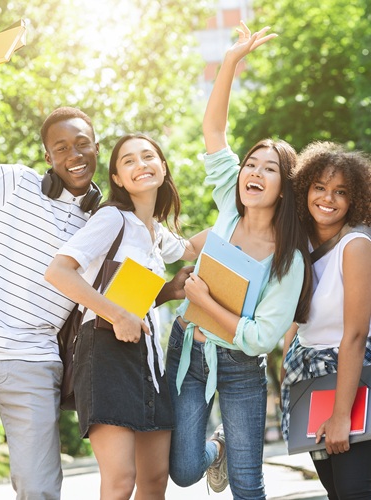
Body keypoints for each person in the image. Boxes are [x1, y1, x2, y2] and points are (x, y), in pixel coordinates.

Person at [0, 40, 189, 499]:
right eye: (61, 148)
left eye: (82, 144)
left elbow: (129, 287)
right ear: (47, 156)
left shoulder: (109, 218)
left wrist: (166, 292)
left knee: (39, 489)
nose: (74, 154)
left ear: (97, 148)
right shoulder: (10, 183)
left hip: (35, 362)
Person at [166, 22, 312, 499]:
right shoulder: (230, 204)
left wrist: (204, 300)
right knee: (185, 469)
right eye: (251, 163)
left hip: (240, 366)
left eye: (270, 168)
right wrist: (229, 61)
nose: (254, 171)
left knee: (249, 486)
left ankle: (236, 452)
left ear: (284, 185)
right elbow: (214, 129)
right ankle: (217, 450)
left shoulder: (289, 259)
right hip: (189, 351)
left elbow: (260, 339)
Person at [45, 132, 206, 500]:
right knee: (121, 481)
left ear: (163, 167)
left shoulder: (156, 233)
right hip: (104, 353)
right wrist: (118, 315)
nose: (140, 165)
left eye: (148, 156)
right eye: (128, 161)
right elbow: (59, 271)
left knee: (154, 481)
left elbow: (193, 247)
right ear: (116, 178)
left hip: (148, 359)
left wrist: (251, 210)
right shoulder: (113, 218)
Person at [281, 141, 371, 499]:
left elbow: (356, 335)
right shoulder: (297, 244)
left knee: (354, 489)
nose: (328, 199)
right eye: (320, 187)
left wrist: (340, 414)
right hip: (309, 382)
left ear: (355, 199)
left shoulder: (356, 246)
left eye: (340, 192)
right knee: (335, 489)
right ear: (305, 189)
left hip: (352, 381)